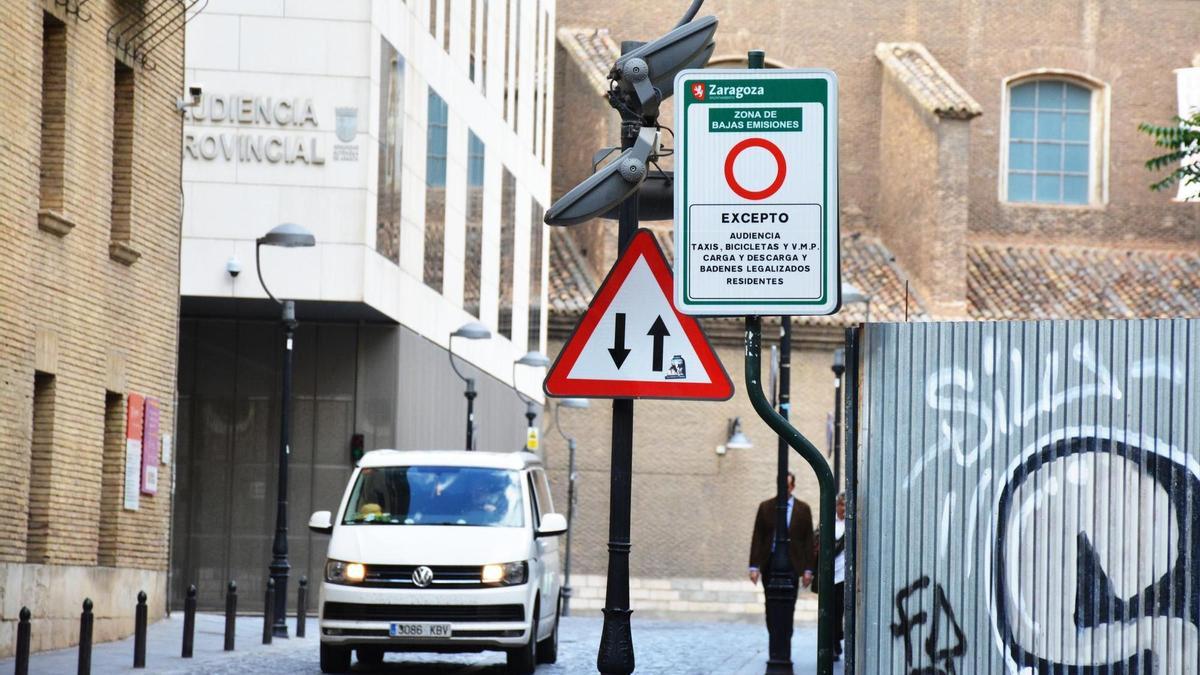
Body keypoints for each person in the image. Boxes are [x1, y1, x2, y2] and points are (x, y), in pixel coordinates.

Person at [748, 472, 815, 644]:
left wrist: (808, 569)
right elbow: (758, 536)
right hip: (770, 562)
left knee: (789, 604)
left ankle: (785, 638)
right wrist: (754, 567)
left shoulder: (803, 509)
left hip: (793, 564)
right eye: (780, 485)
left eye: (786, 486)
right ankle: (774, 636)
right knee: (770, 604)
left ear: (793, 487)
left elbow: (808, 540)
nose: (783, 489)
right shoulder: (766, 507)